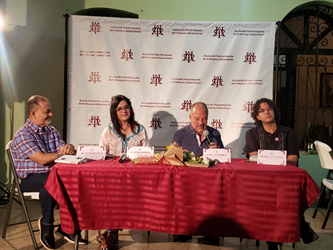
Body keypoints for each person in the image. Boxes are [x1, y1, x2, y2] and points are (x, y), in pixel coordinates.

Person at [10, 95, 85, 250]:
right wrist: (62, 155)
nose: (51, 114)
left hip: (52, 175)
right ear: (33, 114)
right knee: (52, 182)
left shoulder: (51, 131)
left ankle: (66, 228)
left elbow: (63, 149)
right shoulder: (23, 134)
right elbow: (42, 159)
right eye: (47, 112)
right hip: (30, 179)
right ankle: (47, 225)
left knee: (70, 181)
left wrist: (68, 147)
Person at [245, 98, 319, 250]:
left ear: (274, 111)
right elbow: (253, 157)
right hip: (261, 182)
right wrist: (279, 158)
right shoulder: (252, 133)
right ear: (257, 116)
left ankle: (276, 240)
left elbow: (293, 159)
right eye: (262, 110)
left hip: (284, 181)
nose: (267, 112)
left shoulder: (288, 132)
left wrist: (265, 157)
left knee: (286, 199)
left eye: (269, 108)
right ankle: (300, 226)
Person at [98, 94, 149, 246]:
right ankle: (111, 229)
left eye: (126, 107)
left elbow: (147, 154)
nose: (124, 111)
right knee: (112, 189)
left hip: (135, 175)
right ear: (114, 112)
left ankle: (111, 232)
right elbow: (101, 153)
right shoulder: (109, 130)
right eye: (119, 108)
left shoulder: (140, 130)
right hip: (113, 174)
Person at [172, 102, 223, 243]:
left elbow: (223, 161)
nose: (201, 122)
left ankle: (209, 230)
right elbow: (173, 159)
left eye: (204, 119)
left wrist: (218, 151)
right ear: (190, 117)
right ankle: (183, 229)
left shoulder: (214, 134)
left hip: (209, 182)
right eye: (197, 118)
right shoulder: (180, 135)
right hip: (187, 181)